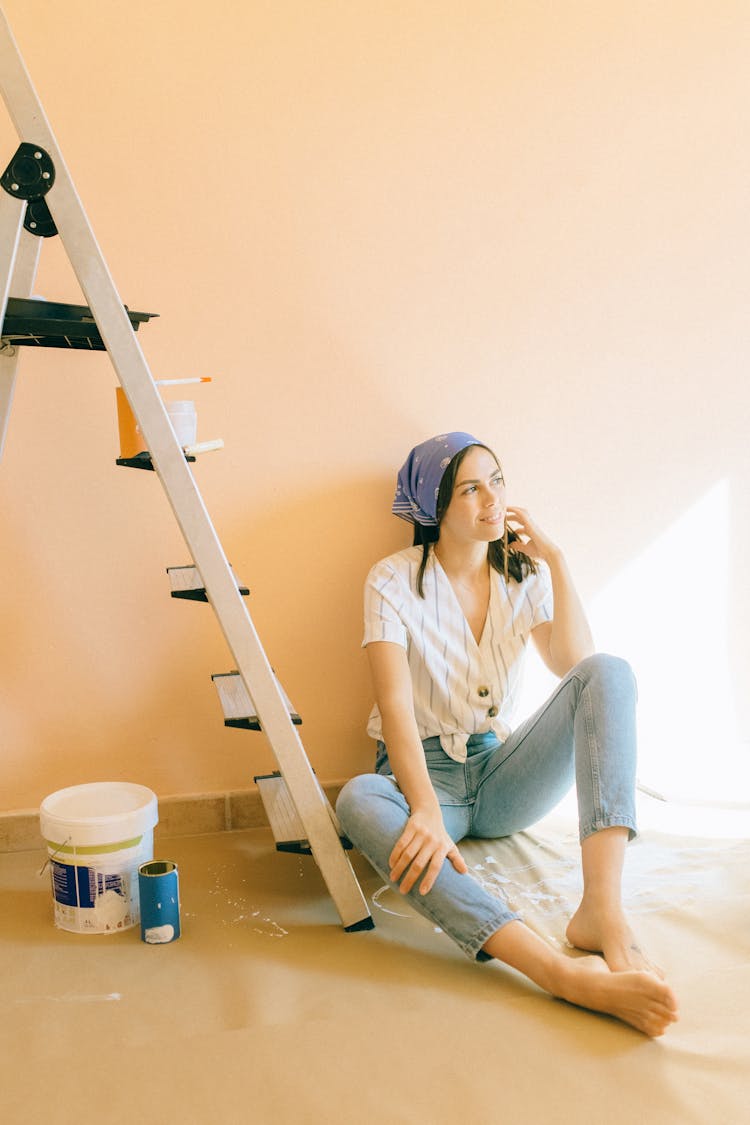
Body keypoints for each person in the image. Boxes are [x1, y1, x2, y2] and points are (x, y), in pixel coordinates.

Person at [336, 432, 679, 1037]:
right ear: (434, 508)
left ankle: (601, 910)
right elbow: (394, 706)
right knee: (358, 798)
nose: (492, 500)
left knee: (610, 672)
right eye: (470, 489)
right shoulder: (390, 580)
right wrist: (423, 809)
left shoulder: (522, 574)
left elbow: (576, 665)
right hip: (427, 783)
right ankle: (555, 972)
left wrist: (558, 562)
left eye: (497, 481)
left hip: (499, 776)